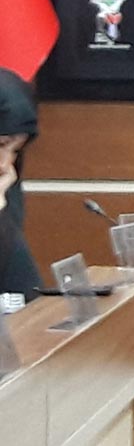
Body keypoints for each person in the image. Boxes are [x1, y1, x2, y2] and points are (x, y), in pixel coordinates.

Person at [0, 69, 42, 301]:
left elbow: (22, 289)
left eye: (16, 150)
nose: (5, 164)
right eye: (1, 144)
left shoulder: (7, 185)